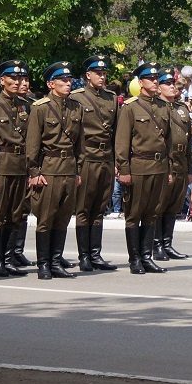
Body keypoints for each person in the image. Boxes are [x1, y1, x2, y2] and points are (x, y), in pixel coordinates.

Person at [26, 62, 84, 280]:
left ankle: (56, 261)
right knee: (46, 218)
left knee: (63, 218)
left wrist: (77, 169)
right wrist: (34, 171)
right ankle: (43, 264)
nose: (68, 84)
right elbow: (33, 144)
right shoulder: (40, 108)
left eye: (69, 81)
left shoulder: (76, 107)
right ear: (51, 84)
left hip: (69, 169)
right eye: (63, 81)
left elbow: (80, 143)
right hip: (49, 169)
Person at [114, 64, 170, 275]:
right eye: (150, 79)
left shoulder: (164, 107)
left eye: (157, 78)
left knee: (152, 213)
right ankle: (135, 258)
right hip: (138, 166)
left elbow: (169, 141)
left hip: (159, 166)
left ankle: (146, 257)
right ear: (141, 82)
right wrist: (124, 168)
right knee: (134, 213)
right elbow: (122, 142)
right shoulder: (130, 107)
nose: (155, 82)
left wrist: (170, 168)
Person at [69, 55, 118, 272]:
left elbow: (116, 132)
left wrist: (116, 160)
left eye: (104, 73)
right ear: (88, 75)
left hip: (106, 156)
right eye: (98, 73)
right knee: (84, 207)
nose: (102, 76)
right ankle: (84, 256)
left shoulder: (111, 98)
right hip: (87, 156)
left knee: (99, 207)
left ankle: (96, 254)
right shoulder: (77, 98)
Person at [0, 60, 33, 276]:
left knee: (16, 214)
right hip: (2, 163)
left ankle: (8, 258)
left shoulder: (25, 105)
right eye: (13, 78)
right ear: (2, 80)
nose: (17, 82)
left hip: (21, 165)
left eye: (20, 78)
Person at [157, 67, 192, 261]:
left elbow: (189, 142)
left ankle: (167, 243)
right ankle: (156, 245)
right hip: (165, 163)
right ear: (159, 87)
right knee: (160, 205)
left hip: (180, 162)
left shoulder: (182, 108)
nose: (172, 87)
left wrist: (189, 168)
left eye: (173, 84)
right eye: (168, 84)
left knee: (173, 206)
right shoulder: (156, 108)